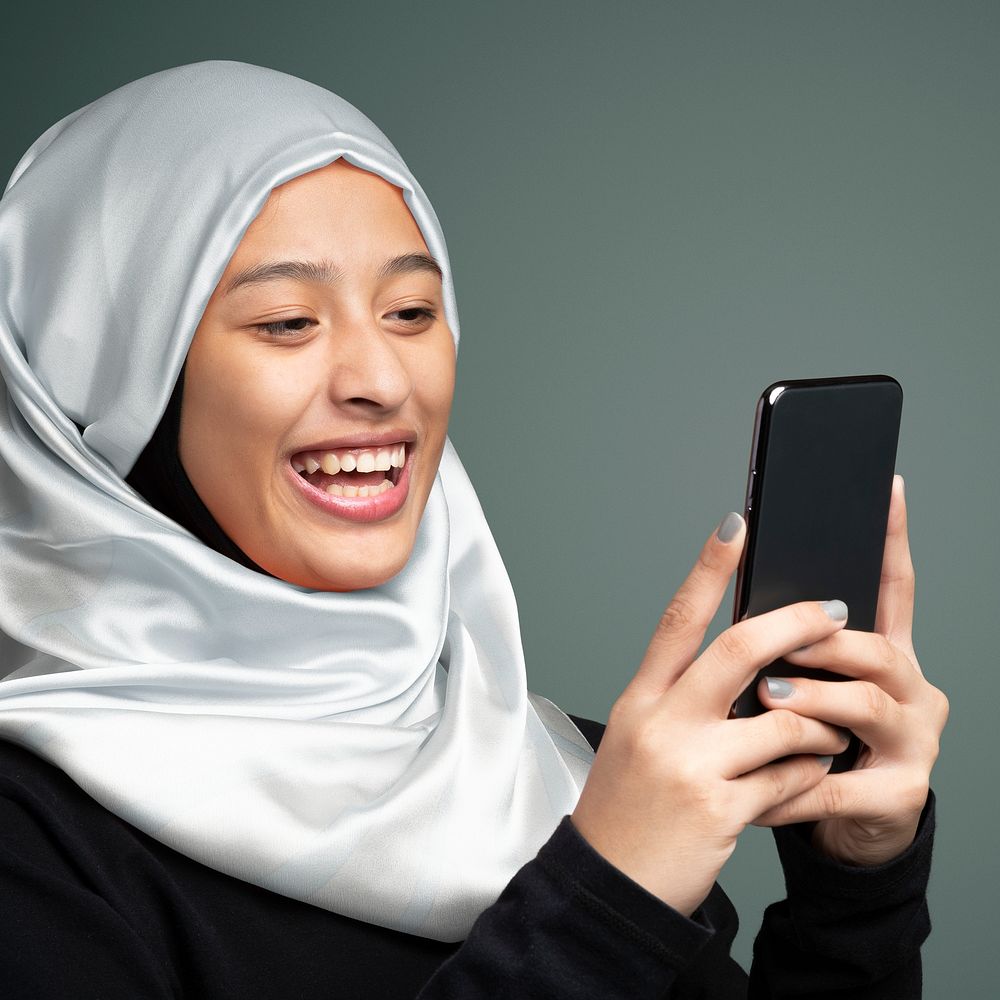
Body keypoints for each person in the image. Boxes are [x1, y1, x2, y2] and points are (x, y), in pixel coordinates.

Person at [0, 60, 947, 998]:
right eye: (289, 321)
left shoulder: (564, 770)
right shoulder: (38, 847)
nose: (383, 379)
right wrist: (607, 894)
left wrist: (854, 886)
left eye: (413, 310)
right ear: (107, 385)